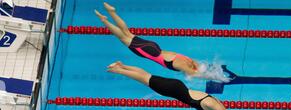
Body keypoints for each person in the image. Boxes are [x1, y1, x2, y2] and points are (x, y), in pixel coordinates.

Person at [107, 61, 254, 110]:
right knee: (146, 79)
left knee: (148, 77)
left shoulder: (212, 103)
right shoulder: (212, 107)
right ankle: (119, 70)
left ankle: (122, 66)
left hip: (177, 88)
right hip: (174, 90)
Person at [95, 2, 229, 81]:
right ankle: (106, 19)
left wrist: (208, 71)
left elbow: (197, 69)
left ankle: (111, 14)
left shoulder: (189, 60)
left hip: (154, 47)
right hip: (149, 51)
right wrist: (214, 77)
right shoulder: (183, 65)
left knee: (128, 34)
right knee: (123, 37)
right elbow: (195, 74)